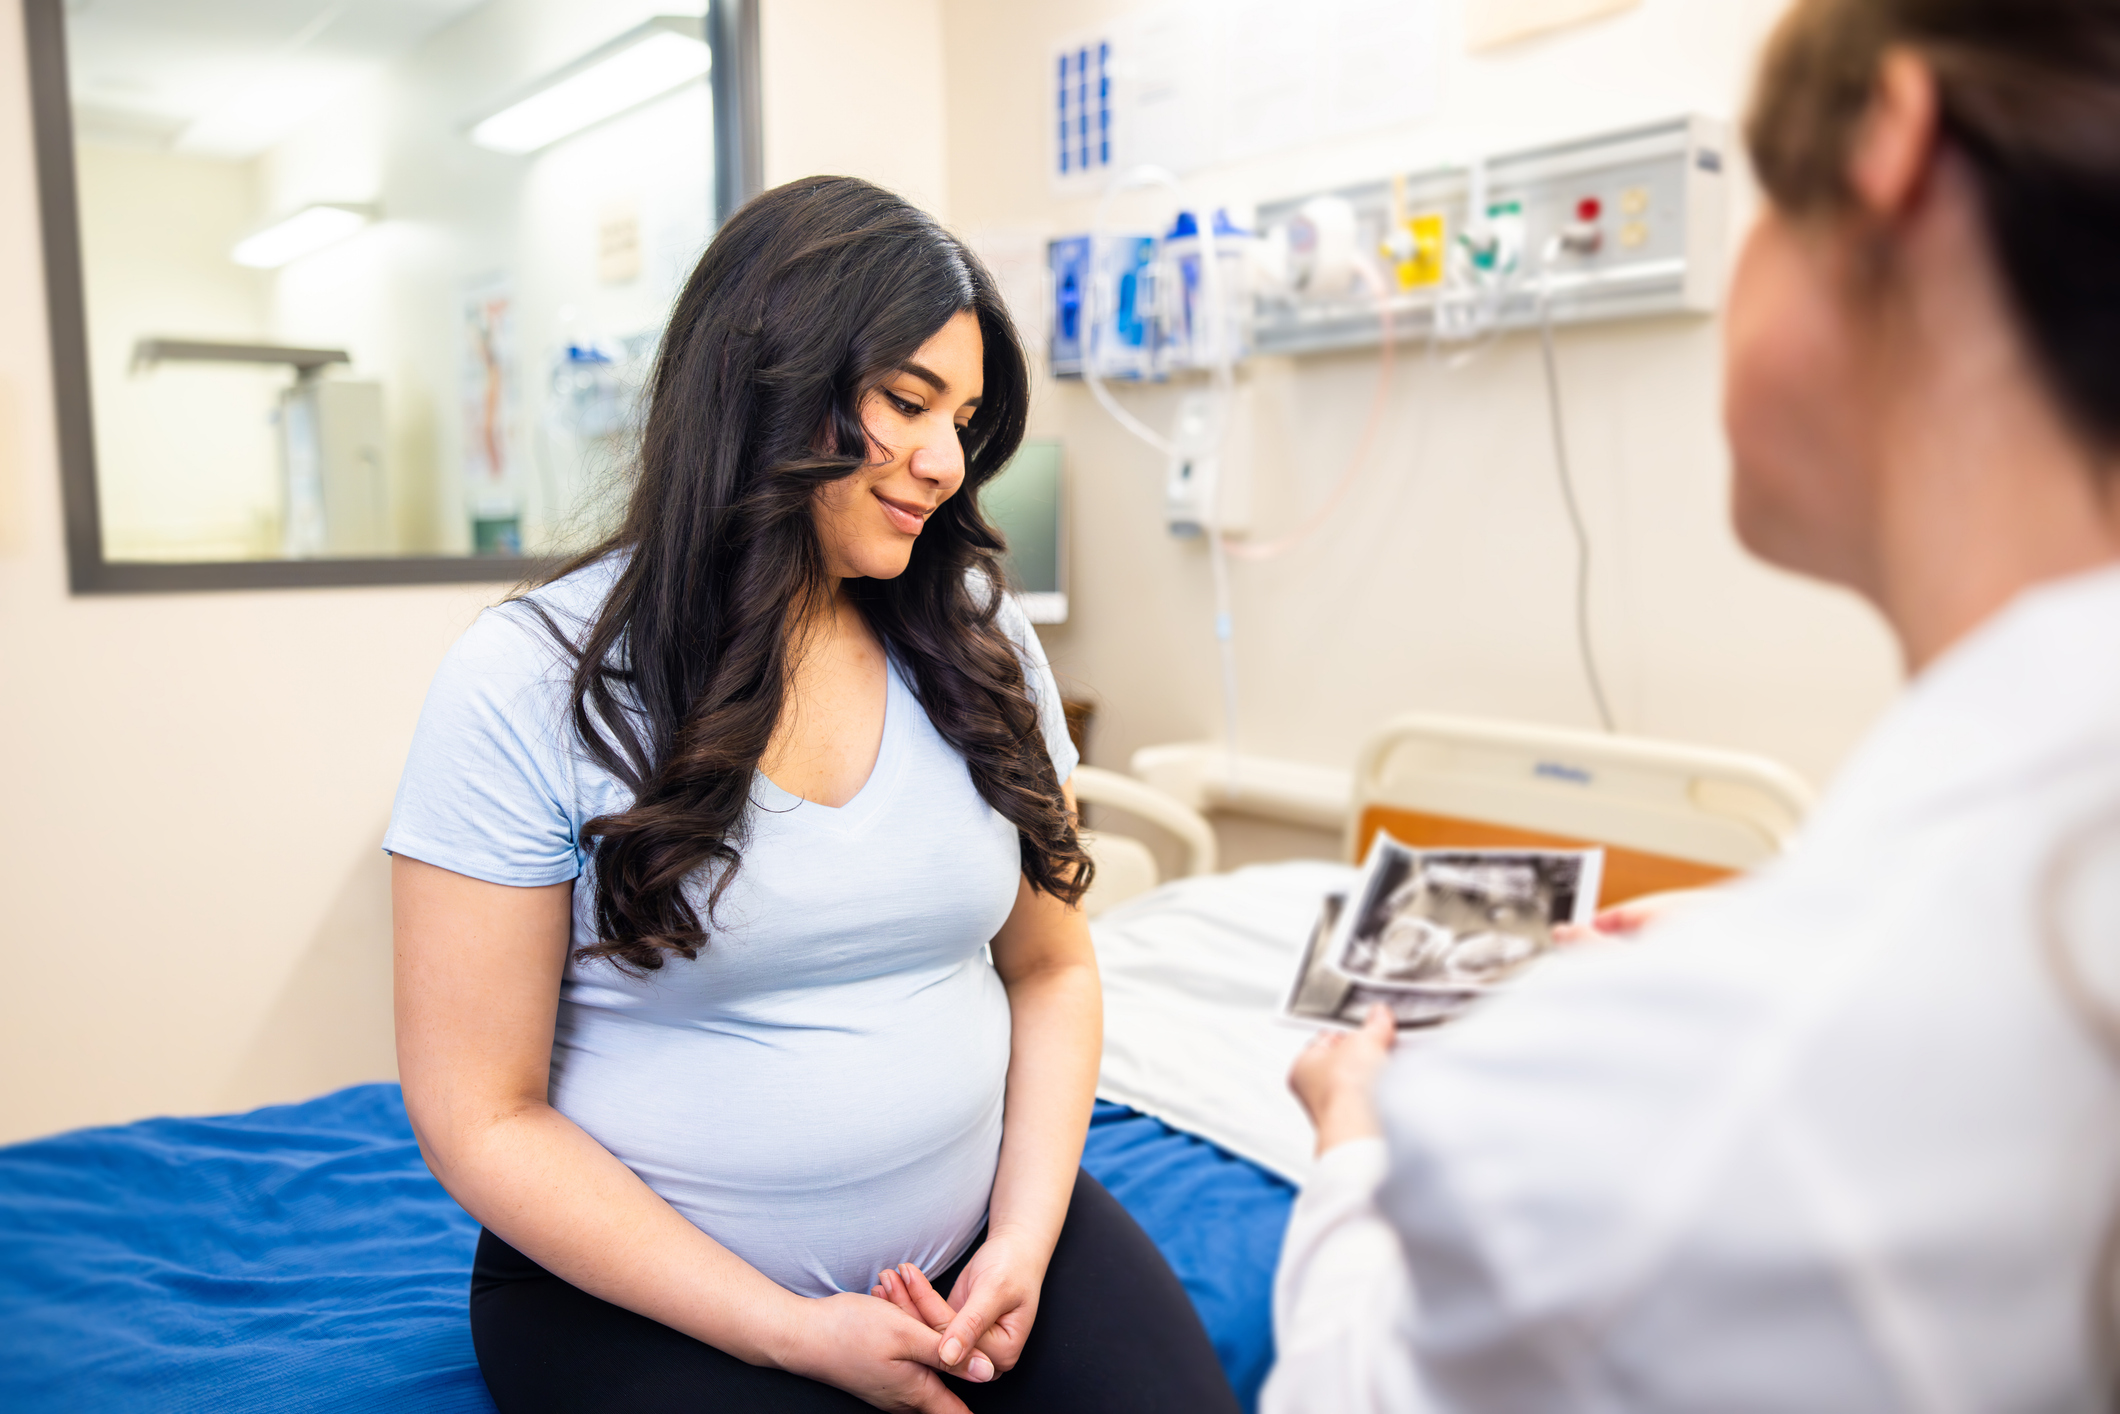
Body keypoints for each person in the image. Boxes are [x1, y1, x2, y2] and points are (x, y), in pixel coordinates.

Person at [1263, 0, 2120, 1407]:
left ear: (1891, 153)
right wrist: (1766, 922)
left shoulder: (1658, 1103)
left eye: (1763, 205)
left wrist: (1353, 1137)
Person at [387, 178, 1239, 1414]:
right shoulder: (529, 680)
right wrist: (786, 1333)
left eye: (963, 418)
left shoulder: (977, 639)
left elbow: (1052, 968)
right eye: (906, 402)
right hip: (652, 1300)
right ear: (762, 382)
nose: (945, 463)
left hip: (976, 1246)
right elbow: (482, 1114)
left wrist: (1023, 1239)